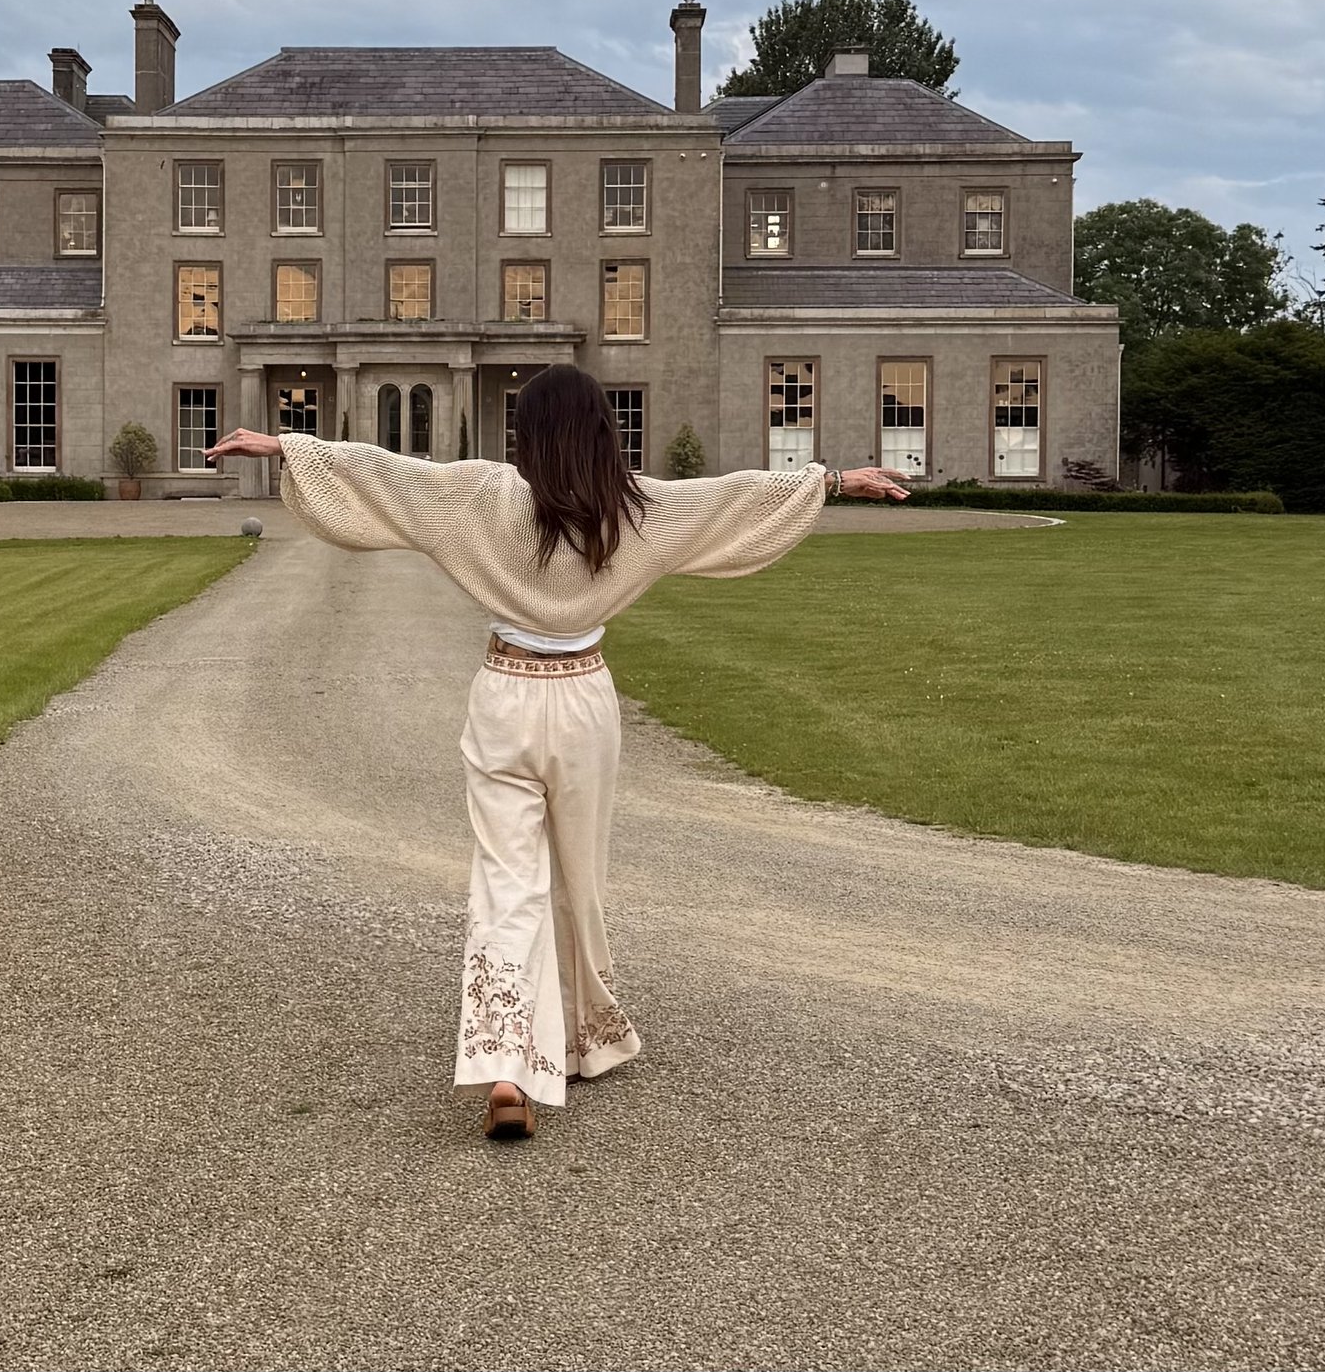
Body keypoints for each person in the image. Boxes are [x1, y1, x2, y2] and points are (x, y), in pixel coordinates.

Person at [209, 367, 907, 1141]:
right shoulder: (634, 508)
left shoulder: (481, 496)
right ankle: (584, 1035)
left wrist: (289, 447)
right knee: (580, 875)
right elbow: (728, 498)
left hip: (506, 692)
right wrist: (836, 479)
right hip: (583, 701)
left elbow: (393, 477)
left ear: (528, 435)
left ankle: (509, 1064)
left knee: (508, 883)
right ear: (601, 430)